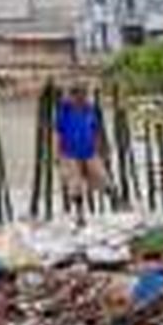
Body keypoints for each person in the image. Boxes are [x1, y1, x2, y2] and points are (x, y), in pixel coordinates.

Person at [56, 84, 107, 224]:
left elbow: (96, 130)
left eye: (83, 95)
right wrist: (57, 154)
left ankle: (111, 203)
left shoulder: (89, 110)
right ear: (72, 97)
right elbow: (58, 133)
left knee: (102, 177)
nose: (81, 98)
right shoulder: (64, 111)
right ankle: (80, 215)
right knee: (75, 184)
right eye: (78, 95)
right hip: (69, 152)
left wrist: (99, 149)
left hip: (89, 151)